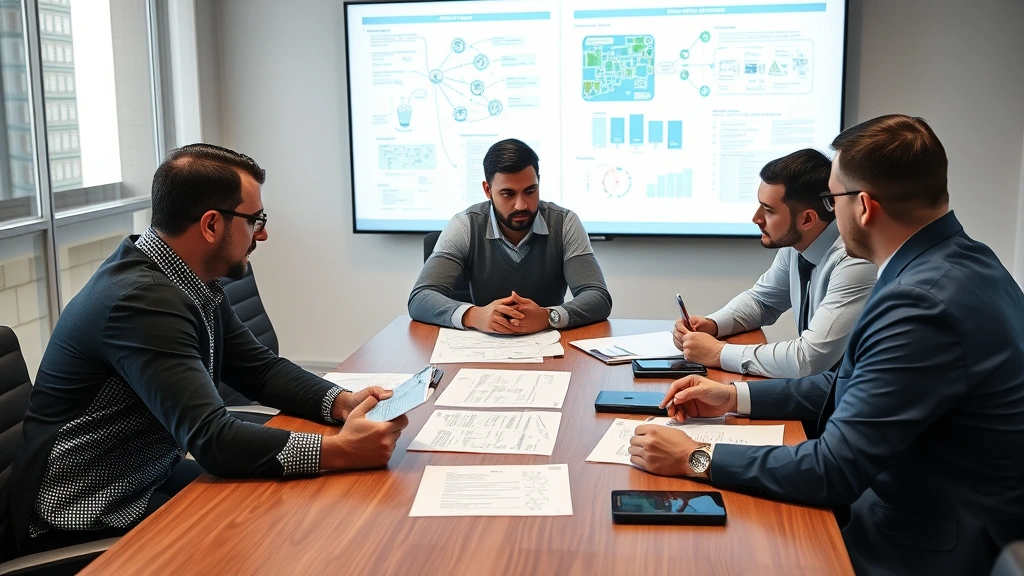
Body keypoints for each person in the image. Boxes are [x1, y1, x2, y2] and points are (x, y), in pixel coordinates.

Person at [628, 115, 1024, 575]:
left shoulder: (919, 302)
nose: (830, 213)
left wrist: (695, 457)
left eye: (833, 199)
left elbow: (833, 470)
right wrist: (733, 395)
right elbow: (848, 383)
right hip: (931, 510)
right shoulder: (963, 261)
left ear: (864, 206)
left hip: (922, 544)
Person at [4, 144, 409, 556]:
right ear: (212, 224)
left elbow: (258, 369)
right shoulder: (141, 302)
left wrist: (342, 402)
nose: (262, 234)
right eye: (255, 220)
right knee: (271, 539)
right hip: (85, 510)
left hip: (144, 474)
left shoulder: (184, 278)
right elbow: (213, 440)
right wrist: (340, 450)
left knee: (283, 515)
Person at [674, 149, 876, 378]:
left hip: (844, 391)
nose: (756, 218)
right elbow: (762, 302)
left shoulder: (855, 261)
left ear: (807, 219)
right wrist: (712, 324)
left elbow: (808, 359)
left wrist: (718, 353)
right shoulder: (797, 244)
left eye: (768, 210)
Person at [409, 138, 612, 334]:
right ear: (488, 190)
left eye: (530, 191)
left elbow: (597, 296)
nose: (521, 205)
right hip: (483, 345)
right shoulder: (466, 225)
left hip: (550, 345)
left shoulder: (565, 223)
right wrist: (475, 316)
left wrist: (548, 317)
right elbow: (421, 297)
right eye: (508, 194)